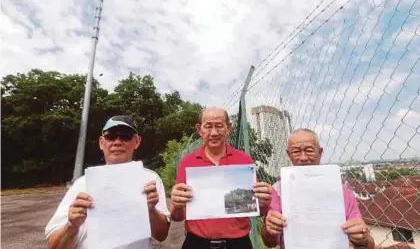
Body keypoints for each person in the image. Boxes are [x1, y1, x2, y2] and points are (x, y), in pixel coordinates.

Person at [45, 115, 170, 249]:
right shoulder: (82, 183)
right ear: (101, 142)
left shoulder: (150, 180)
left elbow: (161, 235)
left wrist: (151, 211)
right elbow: (54, 246)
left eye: (125, 136)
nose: (117, 142)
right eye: (110, 136)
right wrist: (71, 226)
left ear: (137, 141)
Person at [170, 106, 273, 249]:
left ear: (228, 128)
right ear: (200, 129)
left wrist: (263, 202)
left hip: (238, 244)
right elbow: (177, 217)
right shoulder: (188, 162)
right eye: (208, 126)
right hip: (196, 243)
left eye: (219, 126)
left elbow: (259, 211)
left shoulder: (244, 161)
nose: (213, 132)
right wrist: (176, 204)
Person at [261, 128, 375, 249]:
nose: (303, 157)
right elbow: (270, 243)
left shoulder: (343, 192)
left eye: (309, 150)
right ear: (289, 154)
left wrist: (362, 238)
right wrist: (270, 230)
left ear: (320, 152)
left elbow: (369, 245)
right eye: (296, 152)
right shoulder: (278, 191)